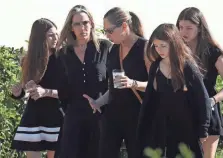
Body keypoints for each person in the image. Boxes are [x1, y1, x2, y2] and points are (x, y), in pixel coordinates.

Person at [137, 23, 211, 158]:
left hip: (186, 127)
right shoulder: (156, 66)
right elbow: (150, 98)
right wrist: (143, 127)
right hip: (162, 127)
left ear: (174, 43)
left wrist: (203, 129)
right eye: (156, 45)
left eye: (163, 45)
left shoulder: (187, 66)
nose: (159, 50)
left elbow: (202, 98)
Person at [84, 7, 150, 158]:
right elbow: (113, 87)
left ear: (125, 26)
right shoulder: (113, 49)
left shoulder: (145, 47)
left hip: (137, 116)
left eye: (110, 31)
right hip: (113, 116)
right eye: (105, 31)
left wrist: (133, 83)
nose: (107, 35)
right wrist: (98, 102)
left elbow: (155, 85)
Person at [56, 5, 112, 158]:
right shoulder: (63, 53)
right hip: (73, 118)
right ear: (71, 27)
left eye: (85, 23)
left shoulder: (105, 47)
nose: (82, 27)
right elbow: (60, 87)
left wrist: (102, 102)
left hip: (100, 116)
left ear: (92, 24)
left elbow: (113, 82)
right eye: (77, 24)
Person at [10, 18, 63, 158]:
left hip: (56, 116)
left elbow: (69, 92)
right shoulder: (29, 60)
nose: (56, 38)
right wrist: (18, 92)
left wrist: (45, 92)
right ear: (39, 37)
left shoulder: (63, 58)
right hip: (34, 117)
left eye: (57, 34)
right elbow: (24, 88)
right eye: (51, 35)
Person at [176, 7, 223, 158]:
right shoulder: (177, 51)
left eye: (189, 28)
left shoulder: (213, 52)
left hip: (208, 112)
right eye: (181, 27)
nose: (184, 32)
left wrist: (213, 100)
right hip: (183, 113)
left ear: (200, 28)